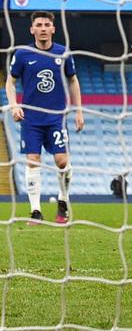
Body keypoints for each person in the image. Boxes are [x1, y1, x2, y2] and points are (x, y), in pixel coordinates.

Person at [6, 12, 84, 224]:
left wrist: (78, 111)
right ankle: (35, 211)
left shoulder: (63, 52)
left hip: (56, 118)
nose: (42, 28)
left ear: (53, 29)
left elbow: (73, 80)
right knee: (33, 161)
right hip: (31, 119)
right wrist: (14, 106)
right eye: (38, 25)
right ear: (32, 29)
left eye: (46, 24)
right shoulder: (22, 54)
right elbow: (10, 82)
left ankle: (63, 200)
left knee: (62, 161)